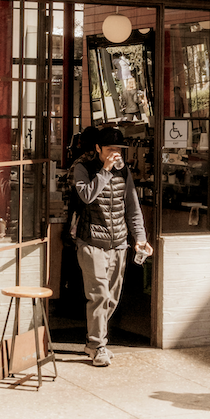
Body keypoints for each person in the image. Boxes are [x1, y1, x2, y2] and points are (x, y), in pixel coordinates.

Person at [71, 124, 152, 367]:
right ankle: (98, 345)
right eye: (110, 149)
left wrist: (140, 238)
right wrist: (105, 170)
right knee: (100, 295)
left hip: (118, 243)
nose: (115, 154)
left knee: (112, 298)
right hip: (91, 241)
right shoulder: (83, 168)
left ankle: (94, 341)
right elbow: (87, 196)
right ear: (98, 148)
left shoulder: (124, 171)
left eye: (118, 149)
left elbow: (132, 207)